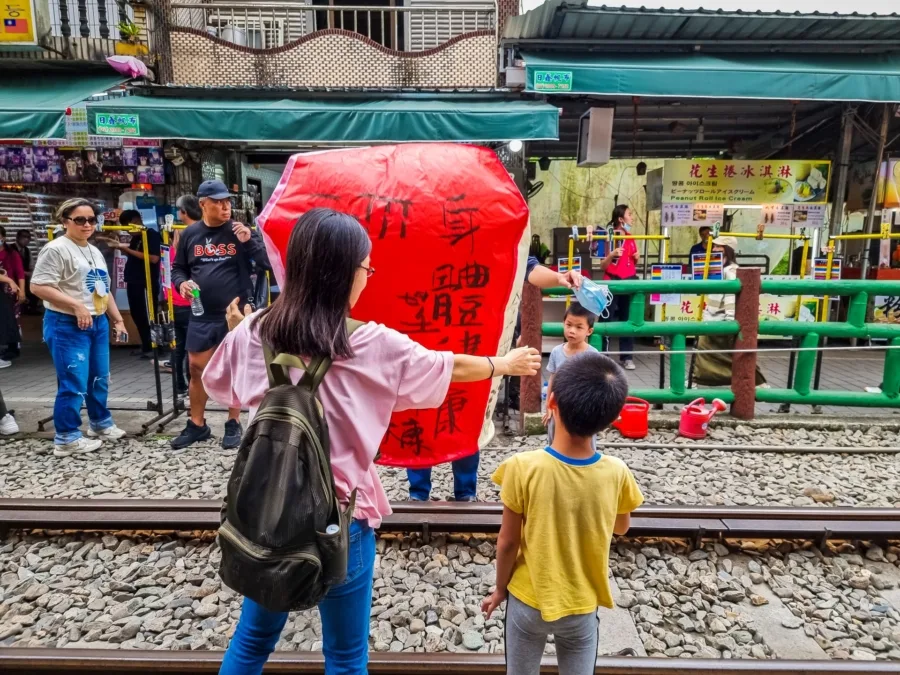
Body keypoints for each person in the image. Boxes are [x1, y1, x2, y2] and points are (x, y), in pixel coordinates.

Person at [202, 208, 541, 675]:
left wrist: (239, 330)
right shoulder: (373, 344)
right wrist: (502, 364)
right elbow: (445, 366)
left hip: (264, 514)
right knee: (344, 657)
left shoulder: (256, 330)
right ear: (345, 273)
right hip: (339, 520)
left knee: (252, 640)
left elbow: (222, 385)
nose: (368, 276)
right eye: (367, 267)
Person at [482, 352, 644, 675]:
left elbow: (507, 542)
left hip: (528, 601)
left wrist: (500, 589)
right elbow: (621, 528)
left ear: (551, 402)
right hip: (581, 606)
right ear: (611, 419)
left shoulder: (522, 467)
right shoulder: (617, 472)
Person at [406, 254, 583, 503]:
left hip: (472, 338)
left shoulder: (492, 235)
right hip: (427, 333)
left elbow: (526, 266)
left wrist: (559, 277)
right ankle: (418, 493)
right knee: (421, 415)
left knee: (468, 418)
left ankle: (465, 493)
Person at [170, 180, 270, 451]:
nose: (226, 206)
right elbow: (178, 268)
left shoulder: (240, 230)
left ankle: (233, 421)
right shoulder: (191, 234)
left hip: (236, 313)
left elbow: (266, 263)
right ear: (203, 204)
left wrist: (249, 242)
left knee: (236, 368)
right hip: (202, 312)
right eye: (218, 201)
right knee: (195, 368)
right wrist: (182, 283)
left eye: (228, 201)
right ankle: (197, 424)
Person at [30, 199, 128, 456]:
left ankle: (100, 422)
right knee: (73, 381)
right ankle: (67, 437)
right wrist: (76, 305)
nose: (87, 225)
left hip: (97, 320)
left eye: (91, 220)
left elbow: (102, 289)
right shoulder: (56, 249)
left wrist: (117, 319)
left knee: (99, 377)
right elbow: (38, 286)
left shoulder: (93, 250)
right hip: (66, 323)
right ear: (65, 221)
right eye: (80, 220)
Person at [691, 235, 767, 388]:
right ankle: (693, 381)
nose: (713, 249)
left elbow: (731, 298)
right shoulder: (718, 269)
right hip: (714, 321)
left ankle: (692, 382)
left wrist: (730, 323)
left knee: (731, 358)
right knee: (731, 358)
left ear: (726, 250)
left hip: (720, 324)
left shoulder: (731, 271)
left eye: (717, 247)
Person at [543, 302, 599, 451]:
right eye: (568, 325)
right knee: (554, 440)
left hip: (583, 408)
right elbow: (552, 379)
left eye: (579, 327)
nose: (572, 331)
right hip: (559, 407)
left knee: (586, 443)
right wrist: (548, 405)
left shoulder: (593, 355)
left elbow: (596, 386)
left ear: (589, 331)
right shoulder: (556, 352)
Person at [105, 210, 161, 359]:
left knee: (149, 314)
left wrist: (124, 248)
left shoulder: (151, 235)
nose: (128, 230)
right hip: (133, 279)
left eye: (128, 226)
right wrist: (119, 246)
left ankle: (154, 346)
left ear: (136, 221)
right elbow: (135, 254)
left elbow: (154, 258)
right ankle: (146, 344)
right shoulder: (136, 237)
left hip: (146, 281)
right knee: (137, 314)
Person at [162, 195, 202, 397]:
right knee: (191, 349)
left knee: (180, 348)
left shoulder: (167, 252)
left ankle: (181, 387)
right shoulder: (189, 246)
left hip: (175, 304)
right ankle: (188, 387)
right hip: (189, 303)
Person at [599, 205, 639, 370]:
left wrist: (636, 258)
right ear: (621, 219)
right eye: (629, 214)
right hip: (611, 282)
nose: (632, 217)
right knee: (606, 319)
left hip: (628, 282)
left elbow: (631, 262)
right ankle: (603, 356)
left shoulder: (631, 237)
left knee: (627, 319)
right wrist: (611, 255)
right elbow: (602, 265)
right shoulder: (607, 237)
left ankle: (627, 357)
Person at [0, 226, 26, 361]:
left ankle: (13, 347)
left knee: (12, 319)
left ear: (3, 237)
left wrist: (22, 291)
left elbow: (20, 273)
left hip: (11, 291)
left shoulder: (12, 253)